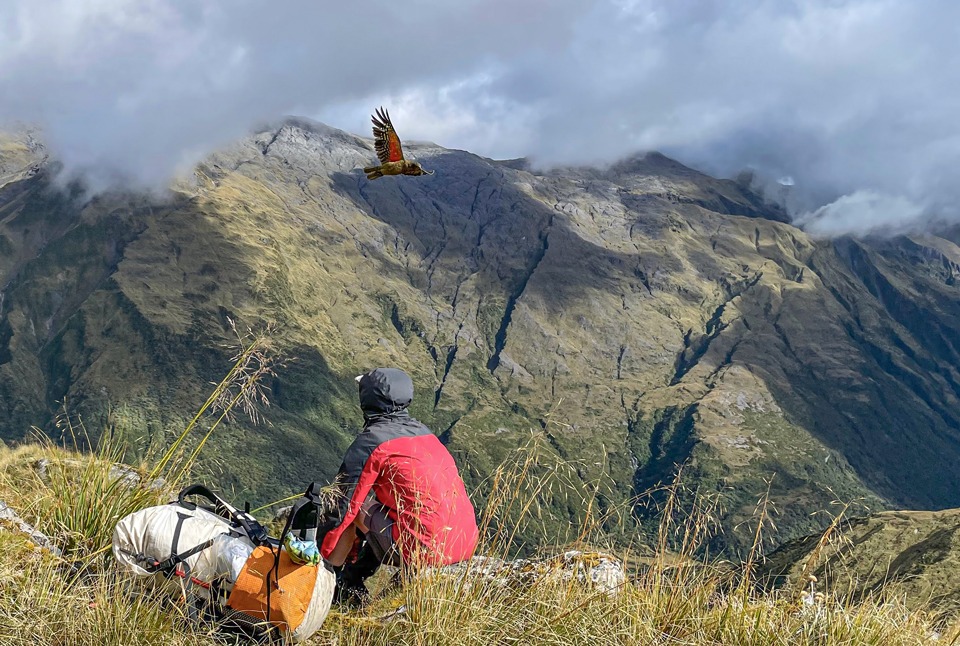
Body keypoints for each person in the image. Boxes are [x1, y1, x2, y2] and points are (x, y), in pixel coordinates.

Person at [320, 367, 479, 603]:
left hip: (424, 549)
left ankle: (331, 583)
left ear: (367, 399)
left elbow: (343, 503)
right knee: (381, 507)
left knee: (359, 507)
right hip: (464, 543)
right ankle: (354, 576)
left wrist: (318, 553)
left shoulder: (372, 442)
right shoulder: (426, 434)